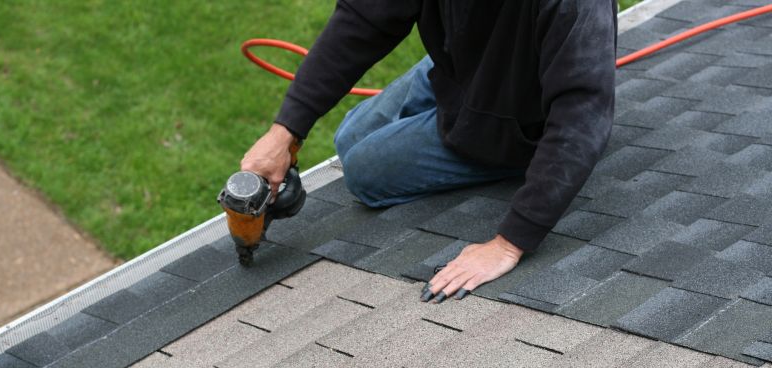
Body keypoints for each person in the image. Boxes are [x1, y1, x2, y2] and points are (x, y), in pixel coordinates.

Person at [240, 1, 617, 303]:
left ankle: (521, 157)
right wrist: (285, 132)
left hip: (520, 118)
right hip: (464, 71)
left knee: (363, 173)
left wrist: (509, 243)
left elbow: (582, 116)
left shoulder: (578, 7)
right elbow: (363, 19)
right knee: (350, 137)